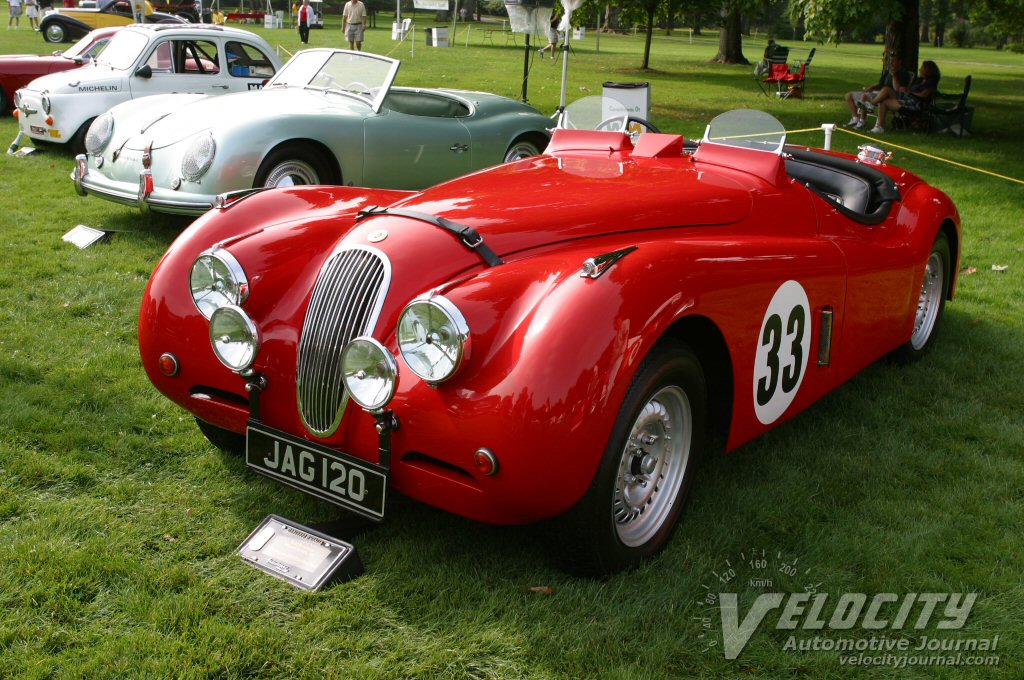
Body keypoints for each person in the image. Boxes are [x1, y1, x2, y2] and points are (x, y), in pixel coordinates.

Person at [844, 51, 913, 130]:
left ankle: (870, 107)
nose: (891, 63)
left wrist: (894, 76)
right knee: (851, 95)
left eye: (893, 61)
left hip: (893, 97)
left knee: (885, 89)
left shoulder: (904, 73)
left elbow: (898, 89)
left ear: (899, 61)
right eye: (890, 61)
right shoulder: (888, 71)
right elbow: (881, 84)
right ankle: (857, 120)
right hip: (880, 94)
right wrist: (872, 87)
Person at [870, 60, 941, 133]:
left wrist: (909, 93)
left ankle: (878, 123)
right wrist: (905, 89)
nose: (920, 69)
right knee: (887, 89)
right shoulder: (920, 80)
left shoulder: (931, 83)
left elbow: (923, 95)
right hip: (907, 98)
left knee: (884, 102)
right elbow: (910, 90)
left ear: (928, 70)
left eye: (922, 68)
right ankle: (874, 112)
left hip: (916, 104)